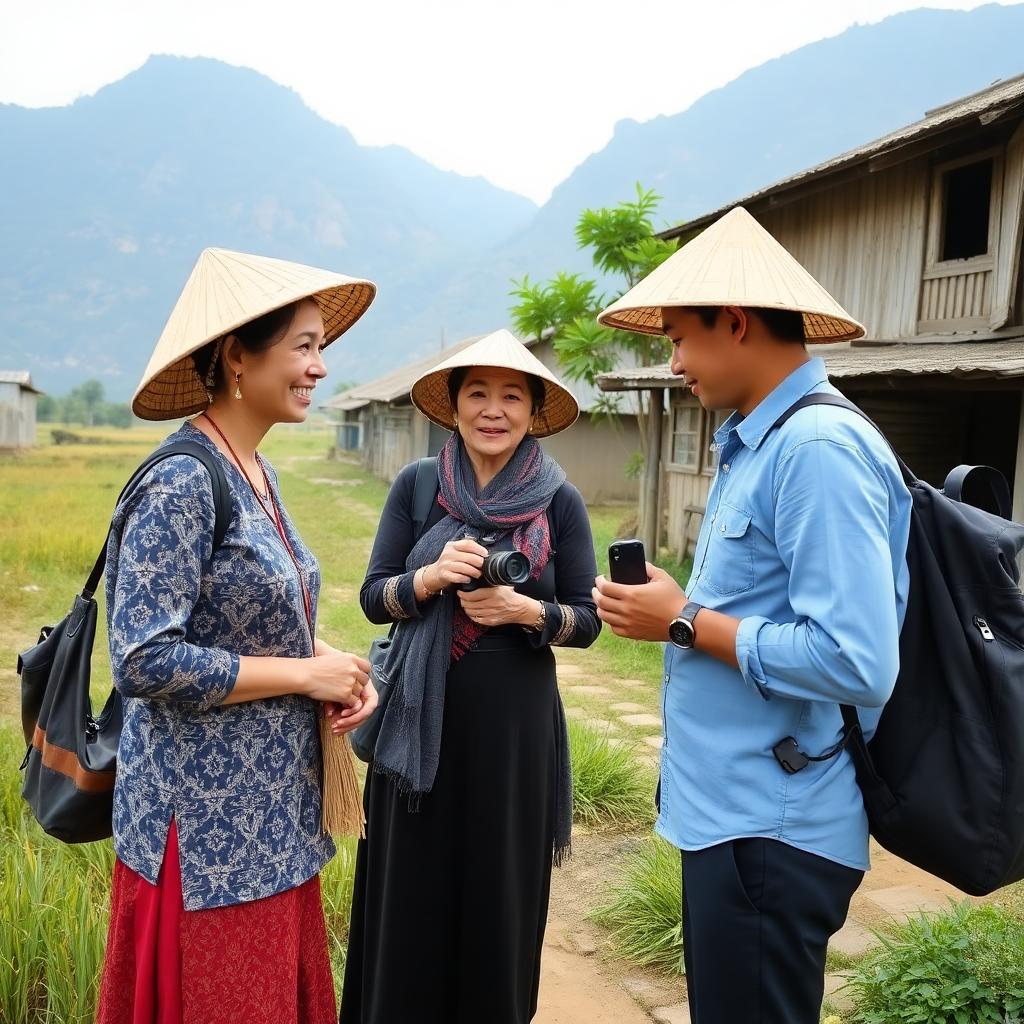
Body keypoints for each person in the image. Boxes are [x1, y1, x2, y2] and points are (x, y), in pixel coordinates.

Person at [592, 207, 913, 1024]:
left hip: (773, 829)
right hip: (735, 819)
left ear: (734, 323)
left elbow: (857, 660)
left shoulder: (816, 450)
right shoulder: (760, 443)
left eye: (679, 339)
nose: (674, 362)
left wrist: (682, 620)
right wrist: (677, 610)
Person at [95, 248, 379, 1024]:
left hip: (273, 820)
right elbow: (143, 658)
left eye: (322, 346)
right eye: (304, 346)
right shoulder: (182, 480)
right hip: (207, 838)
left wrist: (336, 666)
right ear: (237, 357)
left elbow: (265, 624)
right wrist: (304, 677)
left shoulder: (255, 470)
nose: (320, 366)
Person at [340, 328, 601, 1024]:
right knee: (410, 886)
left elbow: (586, 621)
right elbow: (373, 597)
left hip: (513, 732)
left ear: (533, 410)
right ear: (453, 407)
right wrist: (426, 579)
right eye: (477, 393)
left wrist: (524, 610)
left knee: (499, 884)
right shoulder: (418, 486)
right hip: (415, 724)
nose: (493, 409)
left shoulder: (560, 501)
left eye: (511, 396)